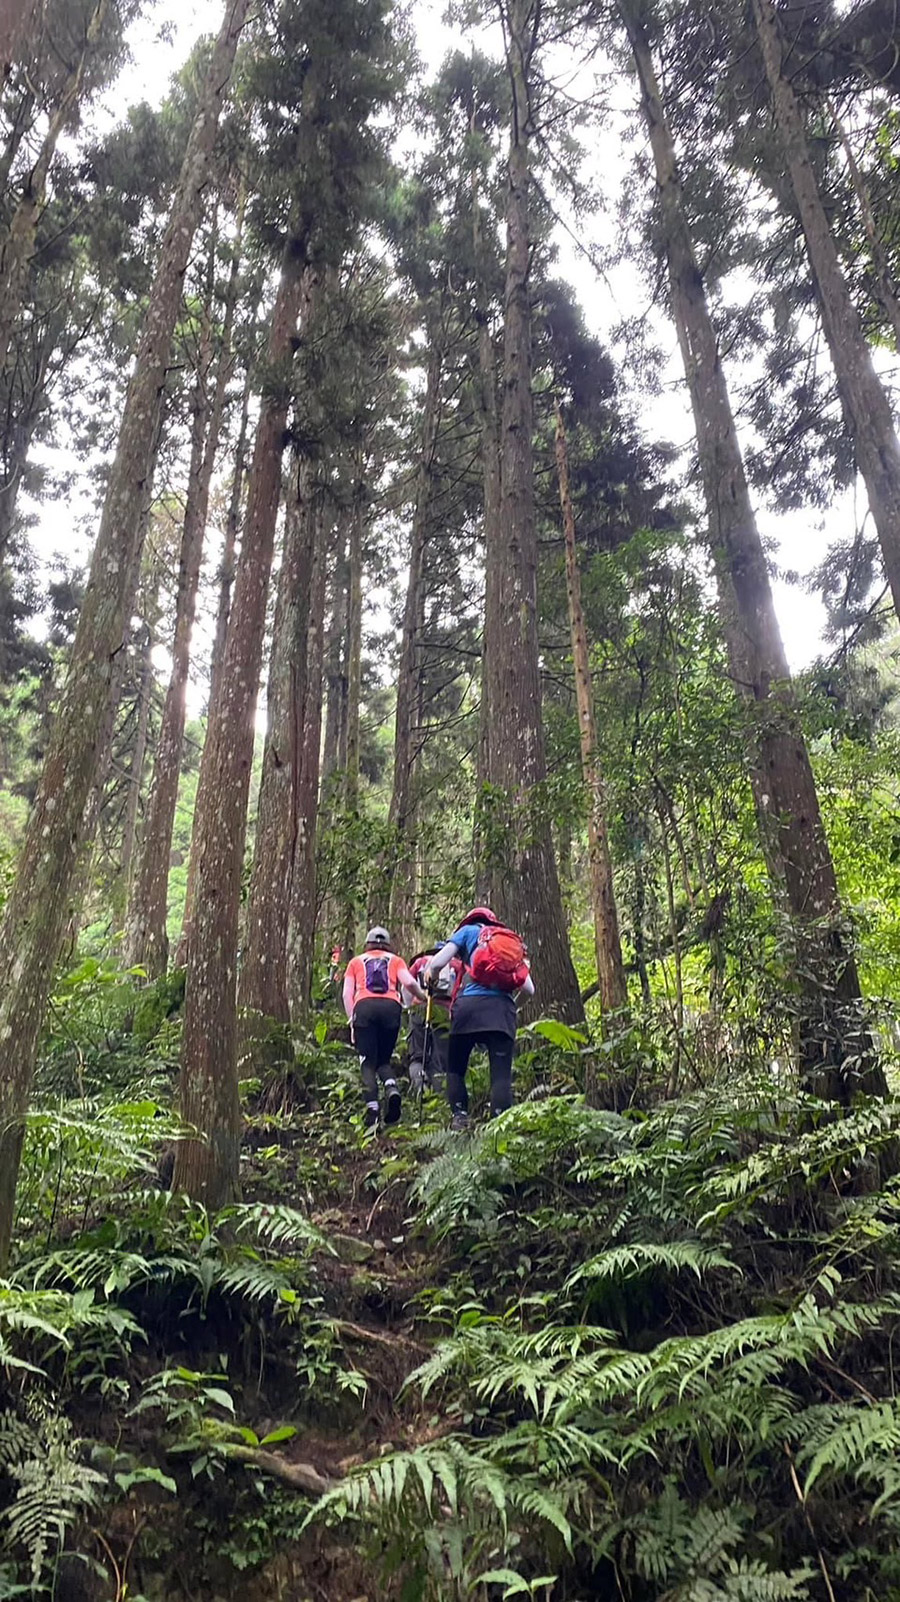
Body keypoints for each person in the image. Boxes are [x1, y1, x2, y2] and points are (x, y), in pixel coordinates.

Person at [424, 906, 534, 1131]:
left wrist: (430, 976)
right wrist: (511, 1007)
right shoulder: (508, 942)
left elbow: (436, 963)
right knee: (500, 1075)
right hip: (501, 1013)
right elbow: (529, 989)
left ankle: (460, 1117)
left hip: (468, 1010)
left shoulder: (467, 933)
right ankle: (498, 1128)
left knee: (455, 1069)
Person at [343, 927, 425, 1129]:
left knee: (367, 1062)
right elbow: (409, 983)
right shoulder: (396, 960)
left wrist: (352, 1020)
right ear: (387, 944)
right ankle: (392, 1089)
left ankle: (372, 1111)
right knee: (383, 1060)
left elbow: (347, 994)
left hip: (364, 1007)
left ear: (368, 944)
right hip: (390, 1008)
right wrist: (423, 997)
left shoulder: (355, 962)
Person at [404, 945, 463, 1092]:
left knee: (417, 1056)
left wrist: (409, 1006)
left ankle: (419, 1089)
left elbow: (406, 986)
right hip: (444, 1012)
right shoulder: (457, 965)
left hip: (420, 1008)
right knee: (440, 1058)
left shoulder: (420, 962)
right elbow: (462, 990)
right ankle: (438, 1097)